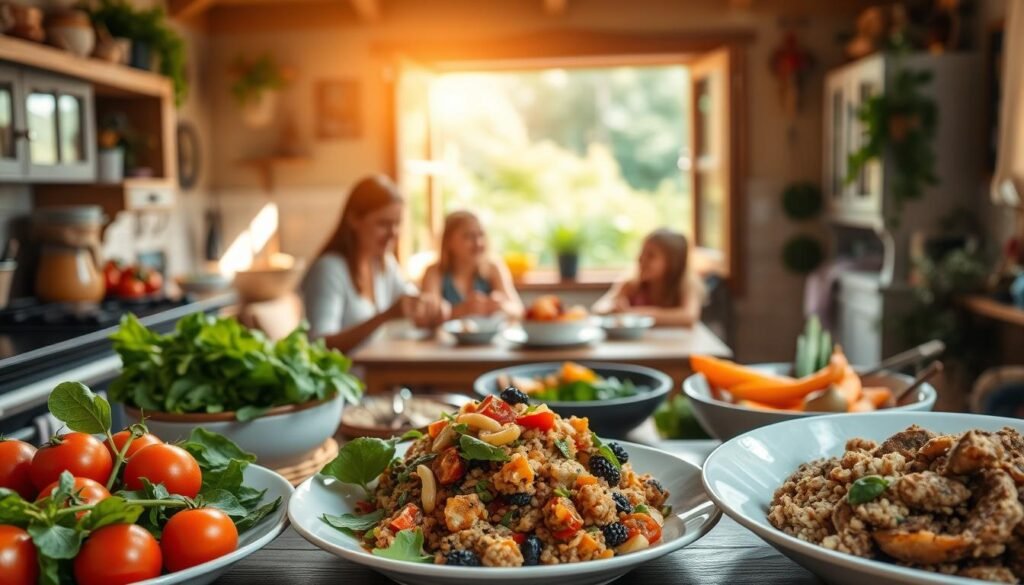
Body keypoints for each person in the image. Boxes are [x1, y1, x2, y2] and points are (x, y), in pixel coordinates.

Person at [301, 175, 447, 352]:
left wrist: (433, 309)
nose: (393, 233)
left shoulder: (384, 264)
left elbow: (412, 303)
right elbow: (319, 345)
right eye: (383, 224)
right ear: (354, 219)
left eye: (397, 224)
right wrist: (385, 317)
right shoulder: (329, 270)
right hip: (350, 378)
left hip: (381, 374)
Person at [421, 210, 523, 318]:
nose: (478, 243)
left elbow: (518, 310)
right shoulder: (434, 273)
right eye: (468, 236)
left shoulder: (493, 268)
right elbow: (429, 317)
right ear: (448, 241)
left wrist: (500, 306)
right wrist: (463, 310)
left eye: (481, 235)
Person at [593, 228, 704, 327]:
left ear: (673, 263)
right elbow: (599, 307)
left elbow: (688, 316)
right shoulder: (632, 284)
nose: (641, 259)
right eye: (642, 252)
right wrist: (613, 307)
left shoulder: (686, 286)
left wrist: (631, 313)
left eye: (651, 255)